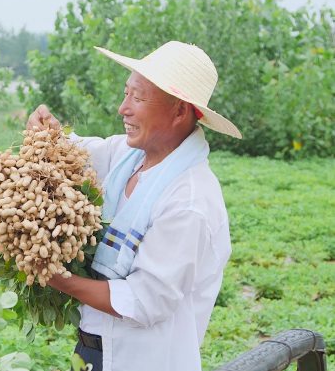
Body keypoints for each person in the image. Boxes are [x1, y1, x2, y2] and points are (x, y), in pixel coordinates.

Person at [26, 41, 242, 371]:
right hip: (93, 352)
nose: (122, 108)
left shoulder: (189, 202)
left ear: (180, 111)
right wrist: (49, 132)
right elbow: (77, 153)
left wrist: (54, 277)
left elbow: (144, 301)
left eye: (137, 98)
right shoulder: (127, 158)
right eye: (126, 93)